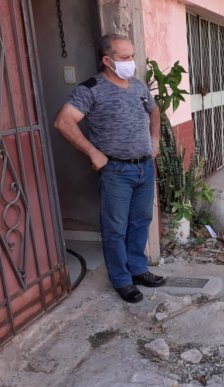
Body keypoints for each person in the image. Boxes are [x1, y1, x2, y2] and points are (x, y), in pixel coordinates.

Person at [54, 33, 166, 303]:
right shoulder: (90, 89)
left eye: (132, 55)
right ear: (107, 60)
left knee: (141, 221)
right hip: (117, 171)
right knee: (115, 228)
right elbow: (63, 122)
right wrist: (93, 152)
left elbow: (154, 111)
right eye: (125, 57)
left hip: (144, 168)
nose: (131, 61)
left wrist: (155, 141)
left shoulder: (138, 86)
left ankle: (138, 269)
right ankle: (121, 279)